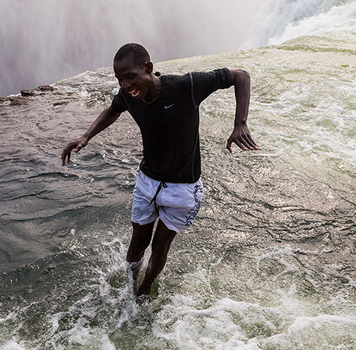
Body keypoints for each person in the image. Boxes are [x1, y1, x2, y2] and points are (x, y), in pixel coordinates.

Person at [61, 43, 257, 299]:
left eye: (130, 77)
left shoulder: (186, 86)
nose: (125, 85)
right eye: (119, 79)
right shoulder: (129, 97)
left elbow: (240, 76)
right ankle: (130, 290)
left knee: (159, 247)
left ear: (149, 69)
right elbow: (112, 110)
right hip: (147, 184)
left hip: (183, 189)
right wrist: (86, 136)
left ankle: (145, 289)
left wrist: (240, 123)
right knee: (137, 244)